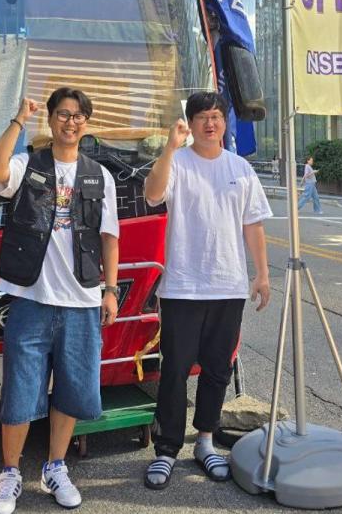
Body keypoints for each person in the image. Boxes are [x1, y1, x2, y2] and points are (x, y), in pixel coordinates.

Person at [0, 88, 120, 513]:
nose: (71, 122)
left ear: (86, 122)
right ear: (51, 119)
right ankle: (9, 474)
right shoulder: (30, 164)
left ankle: (55, 467)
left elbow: (109, 238)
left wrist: (110, 290)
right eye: (63, 114)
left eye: (79, 116)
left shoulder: (99, 175)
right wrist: (17, 121)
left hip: (81, 300)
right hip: (31, 298)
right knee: (21, 390)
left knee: (72, 390)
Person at [141, 91, 273, 490]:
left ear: (224, 122)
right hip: (183, 286)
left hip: (228, 284)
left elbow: (253, 225)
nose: (210, 123)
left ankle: (206, 441)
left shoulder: (240, 169)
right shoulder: (177, 163)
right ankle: (165, 451)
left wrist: (262, 275)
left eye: (216, 116)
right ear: (191, 123)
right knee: (175, 370)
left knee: (217, 369)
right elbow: (152, 194)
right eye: (202, 117)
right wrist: (170, 146)